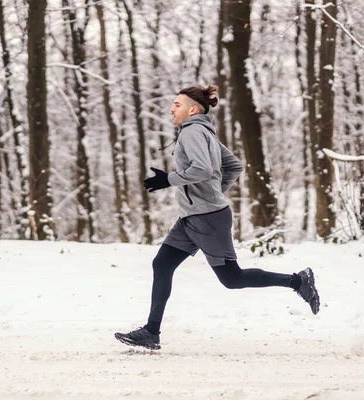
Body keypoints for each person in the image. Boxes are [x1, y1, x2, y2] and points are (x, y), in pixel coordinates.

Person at [115, 85, 320, 350]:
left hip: (208, 219)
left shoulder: (192, 132)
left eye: (177, 104)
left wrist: (170, 180)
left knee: (232, 279)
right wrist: (210, 192)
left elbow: (203, 169)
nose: (171, 108)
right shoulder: (203, 132)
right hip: (192, 217)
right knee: (162, 265)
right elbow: (233, 165)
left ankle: (298, 281)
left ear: (193, 109)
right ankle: (151, 332)